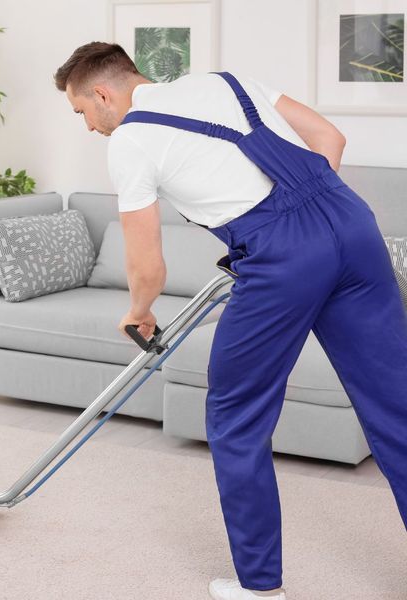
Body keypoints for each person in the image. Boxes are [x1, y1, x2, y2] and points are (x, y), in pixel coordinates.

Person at [53, 41, 407, 600]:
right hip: (352, 224)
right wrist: (314, 214)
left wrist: (139, 312)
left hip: (283, 257)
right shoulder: (226, 82)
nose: (88, 127)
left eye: (82, 112)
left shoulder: (130, 140)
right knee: (397, 407)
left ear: (102, 93)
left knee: (235, 416)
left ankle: (260, 588)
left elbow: (146, 264)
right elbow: (330, 140)